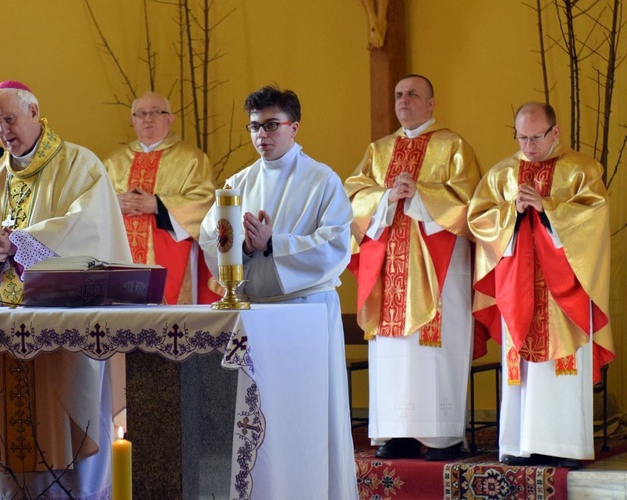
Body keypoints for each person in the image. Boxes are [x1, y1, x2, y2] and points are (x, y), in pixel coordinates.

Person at [0, 80, 131, 498]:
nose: (2, 131)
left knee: (69, 432)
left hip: (61, 328)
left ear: (34, 112)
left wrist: (19, 243)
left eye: (9, 119)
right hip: (3, 329)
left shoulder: (78, 164)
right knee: (9, 441)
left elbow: (89, 229)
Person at [199, 85, 358, 499]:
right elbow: (209, 239)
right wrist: (242, 248)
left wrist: (274, 244)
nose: (261, 135)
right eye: (254, 127)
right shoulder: (238, 182)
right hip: (255, 314)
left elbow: (337, 244)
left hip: (305, 312)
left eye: (271, 125)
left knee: (305, 418)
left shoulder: (322, 179)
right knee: (260, 420)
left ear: (294, 126)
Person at [468, 102, 614, 468]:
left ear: (555, 132)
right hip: (519, 289)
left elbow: (593, 217)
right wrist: (511, 214)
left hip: (564, 292)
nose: (529, 145)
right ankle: (521, 445)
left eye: (536, 137)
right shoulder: (503, 174)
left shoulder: (581, 169)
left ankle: (565, 447)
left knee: (561, 372)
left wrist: (548, 208)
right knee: (525, 373)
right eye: (522, 137)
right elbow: (479, 220)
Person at [344, 74, 481, 461]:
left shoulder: (452, 145)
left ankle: (441, 436)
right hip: (390, 269)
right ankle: (396, 432)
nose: (404, 100)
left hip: (438, 267)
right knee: (393, 350)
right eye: (399, 95)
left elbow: (469, 201)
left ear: (432, 104)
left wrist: (421, 195)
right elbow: (353, 193)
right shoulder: (379, 149)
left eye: (413, 94)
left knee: (434, 347)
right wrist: (387, 197)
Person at [103, 91, 218, 305]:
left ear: (170, 118)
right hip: (121, 254)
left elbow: (205, 203)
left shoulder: (192, 158)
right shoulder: (113, 162)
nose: (148, 118)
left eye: (156, 112)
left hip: (171, 255)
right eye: (141, 114)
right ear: (132, 121)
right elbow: (93, 205)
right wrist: (113, 204)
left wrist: (157, 204)